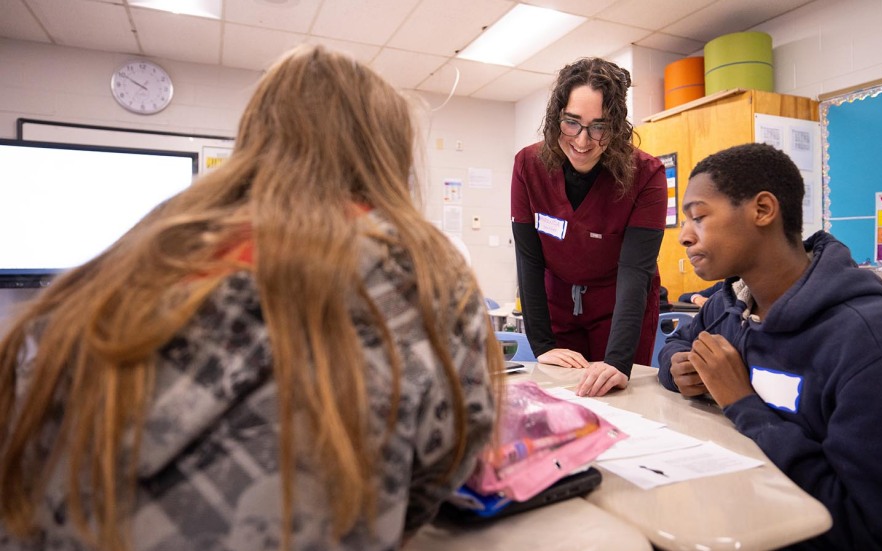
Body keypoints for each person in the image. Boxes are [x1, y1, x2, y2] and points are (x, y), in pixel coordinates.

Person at [0, 45, 502, 551]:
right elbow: (449, 455)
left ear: (255, 135)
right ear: (386, 153)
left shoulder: (145, 248)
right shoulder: (418, 265)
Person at [657, 143, 882, 549]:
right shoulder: (729, 303)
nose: (684, 236)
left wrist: (742, 403)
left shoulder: (872, 350)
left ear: (763, 210)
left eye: (699, 217)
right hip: (734, 509)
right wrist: (677, 366)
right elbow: (679, 342)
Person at [511, 57, 668, 398]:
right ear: (557, 118)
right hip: (558, 309)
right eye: (572, 123)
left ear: (618, 126)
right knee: (560, 404)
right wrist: (542, 345)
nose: (583, 141)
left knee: (621, 400)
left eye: (600, 126)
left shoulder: (647, 175)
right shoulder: (528, 165)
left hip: (620, 311)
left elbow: (634, 272)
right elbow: (529, 260)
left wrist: (617, 361)